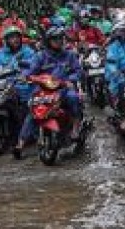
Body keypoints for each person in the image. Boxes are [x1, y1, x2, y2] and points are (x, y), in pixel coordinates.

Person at [14, 26, 82, 158]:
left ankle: (75, 128)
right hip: (44, 89)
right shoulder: (40, 56)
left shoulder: (70, 55)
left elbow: (78, 71)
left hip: (64, 88)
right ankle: (21, 144)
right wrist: (25, 76)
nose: (58, 41)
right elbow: (31, 70)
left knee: (73, 98)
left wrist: (71, 80)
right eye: (54, 39)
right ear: (48, 41)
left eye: (60, 38)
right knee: (33, 111)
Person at [0, 25, 36, 147]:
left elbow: (33, 66)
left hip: (22, 86)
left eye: (17, 37)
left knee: (27, 106)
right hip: (3, 85)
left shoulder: (28, 52)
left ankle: (27, 133)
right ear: (6, 40)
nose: (15, 40)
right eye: (11, 37)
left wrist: (24, 74)